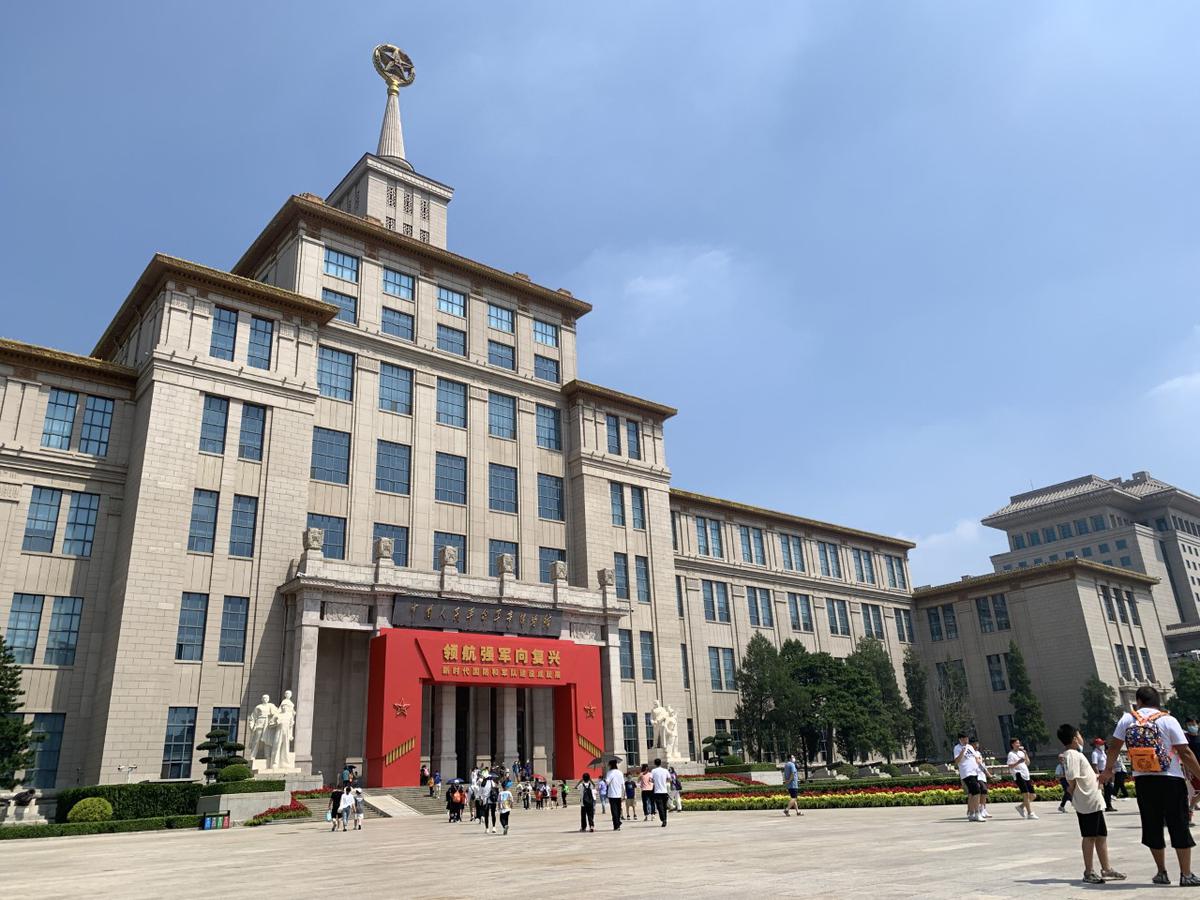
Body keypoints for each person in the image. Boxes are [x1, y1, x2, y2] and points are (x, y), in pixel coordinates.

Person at [1100, 685, 1200, 886]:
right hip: (1171, 778)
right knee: (1178, 824)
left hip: (1144, 779)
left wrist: (1108, 770)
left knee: (1152, 824)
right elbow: (1185, 752)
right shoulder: (1168, 719)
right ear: (1158, 702)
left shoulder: (1127, 719)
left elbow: (1114, 746)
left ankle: (1161, 872)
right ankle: (1186, 874)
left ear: (1139, 701)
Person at [1060, 723, 1126, 885]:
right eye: (1080, 735)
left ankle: (1106, 868)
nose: (1082, 738)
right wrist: (1072, 792)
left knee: (1101, 835)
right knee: (1089, 836)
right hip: (1086, 801)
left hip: (1093, 800)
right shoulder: (1071, 755)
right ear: (1075, 738)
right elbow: (1071, 777)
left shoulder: (1075, 754)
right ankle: (1089, 871)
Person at [953, 733, 984, 822]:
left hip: (974, 772)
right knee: (977, 791)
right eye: (965, 738)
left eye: (967, 738)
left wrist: (979, 762)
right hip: (966, 773)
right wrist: (962, 751)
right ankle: (977, 813)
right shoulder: (957, 748)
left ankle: (971, 813)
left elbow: (976, 758)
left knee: (971, 793)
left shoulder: (970, 747)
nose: (967, 740)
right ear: (960, 739)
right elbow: (957, 761)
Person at [1006, 738, 1038, 820]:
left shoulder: (1021, 752)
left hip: (1026, 774)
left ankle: (1021, 807)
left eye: (1019, 743)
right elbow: (1010, 766)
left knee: (1033, 795)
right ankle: (1030, 813)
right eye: (1017, 743)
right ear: (1012, 744)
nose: (1018, 744)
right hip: (1018, 774)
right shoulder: (1011, 754)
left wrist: (1025, 754)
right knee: (1026, 794)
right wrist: (1018, 762)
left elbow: (1027, 763)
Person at [1091, 737, 1116, 812]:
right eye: (1101, 744)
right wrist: (1099, 775)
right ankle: (1102, 806)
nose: (1103, 745)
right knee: (1102, 790)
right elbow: (1094, 765)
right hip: (1100, 772)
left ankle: (1108, 805)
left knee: (1109, 789)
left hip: (1105, 771)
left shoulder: (1103, 752)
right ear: (1096, 745)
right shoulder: (1095, 753)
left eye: (1103, 744)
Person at [604, 760, 625, 831]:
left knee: (614, 810)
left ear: (610, 765)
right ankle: (618, 822)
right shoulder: (620, 772)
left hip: (612, 794)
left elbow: (607, 782)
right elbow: (623, 784)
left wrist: (604, 779)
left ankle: (616, 825)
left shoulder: (609, 773)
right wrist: (624, 794)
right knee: (618, 809)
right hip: (619, 794)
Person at [972, 740, 991, 819]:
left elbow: (982, 764)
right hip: (976, 774)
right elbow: (978, 763)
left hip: (982, 775)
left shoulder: (978, 753)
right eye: (975, 744)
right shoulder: (972, 753)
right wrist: (987, 773)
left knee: (984, 792)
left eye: (978, 744)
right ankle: (980, 809)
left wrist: (986, 773)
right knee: (983, 790)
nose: (977, 745)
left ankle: (983, 809)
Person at [650, 758, 671, 827]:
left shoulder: (653, 771)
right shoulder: (665, 770)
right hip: (664, 791)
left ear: (655, 763)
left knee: (660, 807)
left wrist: (655, 781)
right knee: (664, 807)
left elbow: (650, 780)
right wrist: (664, 781)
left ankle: (663, 820)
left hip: (657, 792)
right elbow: (669, 779)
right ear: (660, 763)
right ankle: (665, 819)